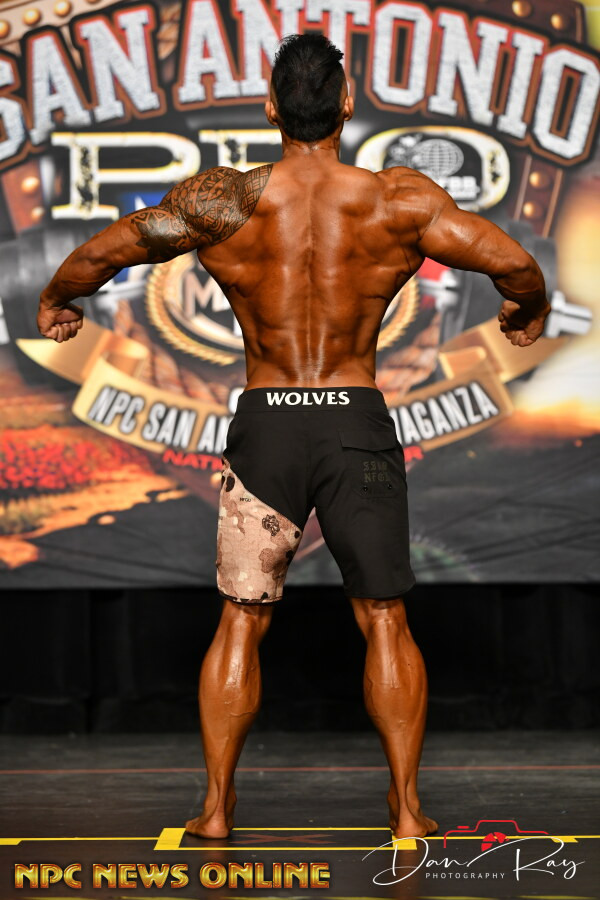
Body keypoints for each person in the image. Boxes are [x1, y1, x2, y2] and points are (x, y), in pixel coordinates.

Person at [37, 33, 550, 840]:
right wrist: (526, 309)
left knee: (242, 618)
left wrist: (57, 300)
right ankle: (407, 812)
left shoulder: (225, 201)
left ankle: (215, 810)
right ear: (346, 104)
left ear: (272, 108)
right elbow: (515, 264)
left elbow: (109, 249)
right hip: (354, 423)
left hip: (267, 426)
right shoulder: (397, 202)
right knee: (384, 617)